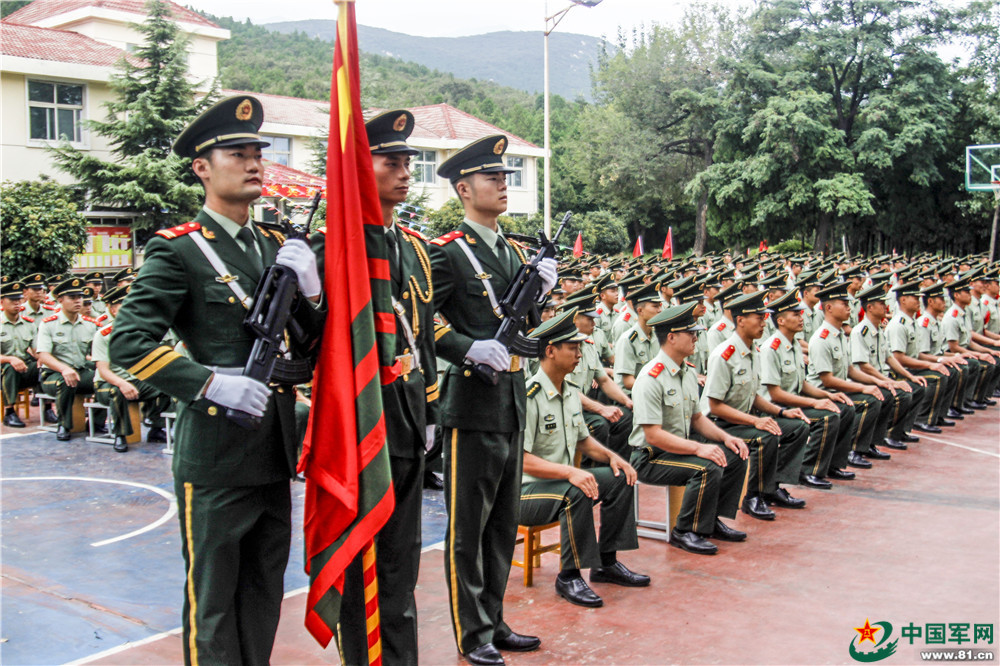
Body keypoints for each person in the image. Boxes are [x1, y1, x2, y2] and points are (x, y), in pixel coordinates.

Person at [109, 96, 326, 665]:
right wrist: (208, 382)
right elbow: (129, 342)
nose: (254, 163)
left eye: (259, 152)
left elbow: (314, 342)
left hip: (273, 450)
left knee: (262, 593)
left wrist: (312, 292)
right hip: (215, 455)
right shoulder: (178, 249)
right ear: (202, 167)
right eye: (238, 153)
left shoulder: (277, 247)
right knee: (213, 602)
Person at [428, 134, 558, 666]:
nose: (503, 185)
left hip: (510, 401)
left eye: (506, 177)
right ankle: (470, 631)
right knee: (469, 527)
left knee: (501, 525)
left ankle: (495, 617)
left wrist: (540, 295)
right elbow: (420, 318)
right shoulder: (447, 252)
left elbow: (524, 327)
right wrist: (464, 348)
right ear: (464, 188)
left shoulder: (513, 251)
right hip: (469, 404)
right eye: (492, 178)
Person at [319, 109, 439, 666]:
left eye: (406, 162)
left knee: (400, 567)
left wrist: (432, 408)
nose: (403, 170)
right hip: (362, 430)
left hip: (410, 423)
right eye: (389, 161)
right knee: (362, 564)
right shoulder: (337, 249)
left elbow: (424, 337)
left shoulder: (413, 247)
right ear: (357, 171)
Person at [520, 308, 647, 609]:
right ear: (550, 351)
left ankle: (606, 562)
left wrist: (612, 458)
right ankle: (569, 575)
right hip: (525, 492)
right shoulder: (529, 396)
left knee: (620, 478)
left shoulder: (569, 391)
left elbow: (583, 440)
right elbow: (520, 460)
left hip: (555, 485)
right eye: (573, 347)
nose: (580, 353)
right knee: (577, 489)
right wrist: (569, 472)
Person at [628, 302, 749, 555]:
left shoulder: (687, 371)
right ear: (671, 337)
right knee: (707, 467)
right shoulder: (651, 377)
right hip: (650, 456)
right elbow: (652, 435)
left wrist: (726, 438)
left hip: (676, 450)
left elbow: (696, 418)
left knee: (735, 454)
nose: (696, 338)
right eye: (690, 333)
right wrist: (698, 448)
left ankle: (710, 520)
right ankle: (684, 531)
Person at [701, 291, 809, 521]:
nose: (763, 323)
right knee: (765, 437)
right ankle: (753, 496)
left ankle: (773, 486)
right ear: (740, 321)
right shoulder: (725, 354)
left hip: (741, 420)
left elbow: (754, 396)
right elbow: (715, 406)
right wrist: (755, 420)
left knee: (797, 426)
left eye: (763, 317)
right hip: (719, 425)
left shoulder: (753, 351)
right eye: (758, 318)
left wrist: (781, 412)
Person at [759, 290, 856, 488]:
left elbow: (801, 384)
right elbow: (775, 393)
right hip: (776, 409)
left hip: (792, 402)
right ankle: (808, 470)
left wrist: (828, 395)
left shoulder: (793, 344)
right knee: (825, 417)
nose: (800, 318)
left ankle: (831, 464)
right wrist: (814, 402)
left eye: (800, 314)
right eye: (795, 315)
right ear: (781, 321)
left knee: (842, 406)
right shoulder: (771, 347)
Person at [805, 281, 886, 471]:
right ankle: (819, 465)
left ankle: (835, 462)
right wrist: (863, 388)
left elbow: (850, 371)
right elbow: (827, 380)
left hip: (838, 391)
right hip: (823, 393)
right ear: (829, 307)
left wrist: (877, 382)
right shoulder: (821, 338)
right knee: (861, 403)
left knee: (874, 395)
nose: (849, 308)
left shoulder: (839, 334)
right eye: (844, 304)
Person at [92, 286, 171, 452]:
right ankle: (120, 435)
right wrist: (122, 383)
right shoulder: (104, 335)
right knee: (117, 392)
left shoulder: (142, 331)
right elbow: (103, 370)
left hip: (137, 381)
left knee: (167, 386)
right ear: (113, 310)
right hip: (108, 385)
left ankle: (156, 428)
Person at [849, 283, 925, 451]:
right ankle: (859, 446)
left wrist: (910, 377)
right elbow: (864, 366)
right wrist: (887, 381)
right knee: (892, 395)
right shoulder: (859, 332)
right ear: (870, 307)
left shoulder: (878, 330)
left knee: (914, 387)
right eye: (882, 304)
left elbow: (890, 358)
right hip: (866, 381)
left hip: (879, 378)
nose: (887, 306)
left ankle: (876, 440)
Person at [560, 291, 633, 459]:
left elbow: (604, 380)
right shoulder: (563, 347)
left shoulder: (588, 344)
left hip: (581, 409)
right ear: (574, 319)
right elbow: (567, 390)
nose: (594, 323)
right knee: (599, 425)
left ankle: (618, 466)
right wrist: (601, 408)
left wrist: (626, 401)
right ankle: (590, 469)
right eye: (589, 319)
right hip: (565, 411)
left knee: (625, 417)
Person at [885, 279, 955, 434]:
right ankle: (920, 420)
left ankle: (906, 428)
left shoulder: (912, 322)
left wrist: (941, 360)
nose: (918, 301)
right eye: (915, 298)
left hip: (910, 368)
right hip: (898, 372)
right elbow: (899, 358)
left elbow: (916, 354)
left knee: (947, 371)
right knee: (935, 378)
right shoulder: (899, 324)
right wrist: (931, 364)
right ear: (903, 300)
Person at [35, 277, 98, 440]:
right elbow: (42, 354)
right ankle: (63, 424)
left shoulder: (90, 325)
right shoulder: (48, 324)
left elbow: (96, 352)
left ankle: (96, 422)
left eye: (80, 297)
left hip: (80, 371)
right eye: (72, 298)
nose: (78, 301)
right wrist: (64, 369)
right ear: (60, 300)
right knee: (65, 381)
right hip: (53, 375)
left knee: (103, 378)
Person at [942, 277, 1000, 408]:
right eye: (967, 292)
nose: (970, 295)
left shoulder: (962, 313)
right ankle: (957, 403)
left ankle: (974, 398)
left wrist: (989, 350)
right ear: (956, 295)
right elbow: (954, 347)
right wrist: (978, 354)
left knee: (991, 358)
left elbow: (969, 340)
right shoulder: (952, 316)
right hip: (952, 353)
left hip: (963, 349)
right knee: (974, 364)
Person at [1, 279, 39, 428]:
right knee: (10, 368)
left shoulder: (29, 324)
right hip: (3, 370)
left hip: (24, 367)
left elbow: (37, 351)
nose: (17, 303)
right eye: (12, 300)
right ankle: (9, 412)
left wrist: (43, 359)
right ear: (2, 302)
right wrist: (10, 359)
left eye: (19, 300)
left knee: (44, 367)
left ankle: (48, 407)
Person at [613, 283, 662, 397]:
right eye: (655, 307)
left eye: (659, 306)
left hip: (653, 392)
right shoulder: (628, 340)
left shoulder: (657, 335)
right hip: (631, 397)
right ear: (640, 311)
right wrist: (658, 389)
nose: (659, 310)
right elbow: (628, 382)